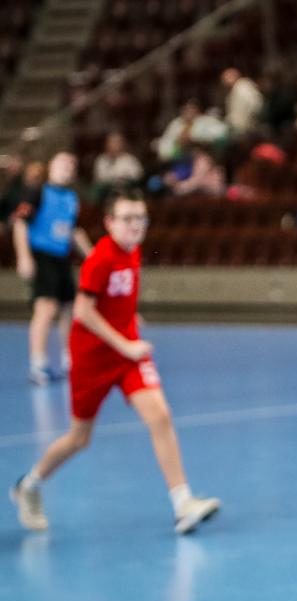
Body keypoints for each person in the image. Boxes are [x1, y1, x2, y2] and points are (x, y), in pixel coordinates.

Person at [9, 190, 221, 535]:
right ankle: (29, 485)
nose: (135, 225)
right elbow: (83, 311)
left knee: (160, 415)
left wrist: (130, 323)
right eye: (127, 219)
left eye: (140, 218)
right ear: (109, 223)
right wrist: (125, 343)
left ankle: (183, 504)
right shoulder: (100, 259)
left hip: (127, 355)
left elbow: (117, 298)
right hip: (93, 359)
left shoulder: (132, 251)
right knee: (79, 438)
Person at [12, 151, 93, 384]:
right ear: (51, 167)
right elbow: (20, 223)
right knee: (46, 308)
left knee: (69, 308)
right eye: (62, 163)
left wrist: (93, 256)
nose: (67, 167)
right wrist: (24, 257)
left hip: (61, 258)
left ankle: (70, 360)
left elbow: (73, 231)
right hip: (42, 255)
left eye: (71, 165)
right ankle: (38, 364)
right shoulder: (37, 192)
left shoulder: (71, 198)